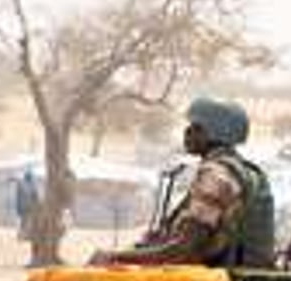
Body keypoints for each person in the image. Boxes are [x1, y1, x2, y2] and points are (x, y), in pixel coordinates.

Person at [89, 97, 274, 267]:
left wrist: (116, 257)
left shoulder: (217, 175)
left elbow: (184, 250)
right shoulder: (241, 169)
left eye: (196, 127)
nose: (187, 132)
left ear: (214, 133)